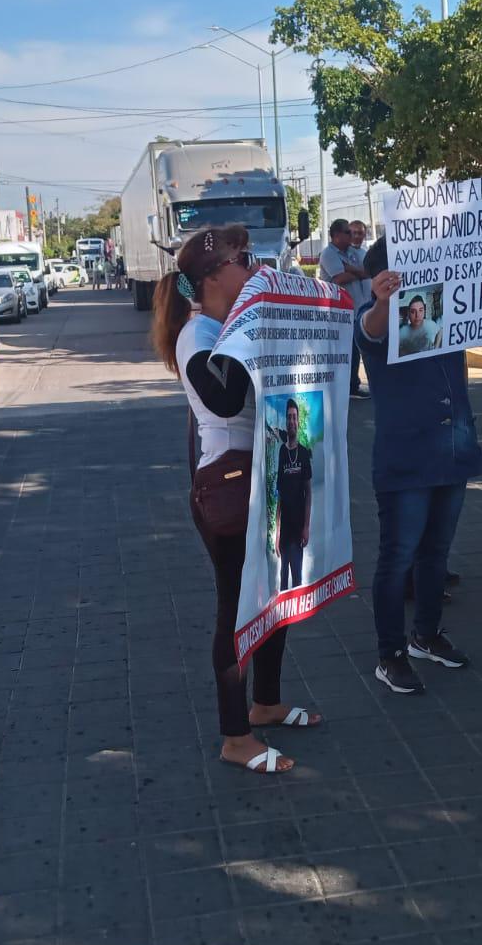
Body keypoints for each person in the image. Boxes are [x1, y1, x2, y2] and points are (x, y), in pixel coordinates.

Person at [151, 225, 320, 773]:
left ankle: (266, 702)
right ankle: (234, 736)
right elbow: (223, 399)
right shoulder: (197, 334)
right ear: (214, 275)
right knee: (237, 607)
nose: (253, 267)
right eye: (243, 259)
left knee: (275, 598)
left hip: (261, 474)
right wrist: (256, 334)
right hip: (227, 484)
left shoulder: (225, 325)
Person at [356, 237, 482, 694]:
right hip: (406, 460)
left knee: (437, 552)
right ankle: (389, 654)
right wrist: (384, 301)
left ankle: (426, 635)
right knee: (397, 559)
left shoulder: (446, 310)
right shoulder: (377, 319)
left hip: (452, 448)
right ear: (379, 279)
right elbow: (369, 330)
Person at [320, 220, 370, 399]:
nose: (352, 236)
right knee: (347, 351)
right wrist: (354, 271)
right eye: (348, 233)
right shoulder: (328, 254)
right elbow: (339, 278)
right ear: (337, 235)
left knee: (356, 351)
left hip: (357, 309)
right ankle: (348, 388)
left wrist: (351, 268)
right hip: (340, 311)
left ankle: (353, 385)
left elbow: (366, 272)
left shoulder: (352, 252)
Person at [273, 398, 312, 590]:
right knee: (283, 581)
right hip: (285, 527)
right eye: (288, 417)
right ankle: (284, 620)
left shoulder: (303, 454)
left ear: (299, 421)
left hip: (298, 528)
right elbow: (279, 493)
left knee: (297, 578)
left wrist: (306, 526)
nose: (291, 421)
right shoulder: (281, 452)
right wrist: (277, 531)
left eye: (294, 417)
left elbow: (308, 493)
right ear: (285, 422)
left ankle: (297, 618)